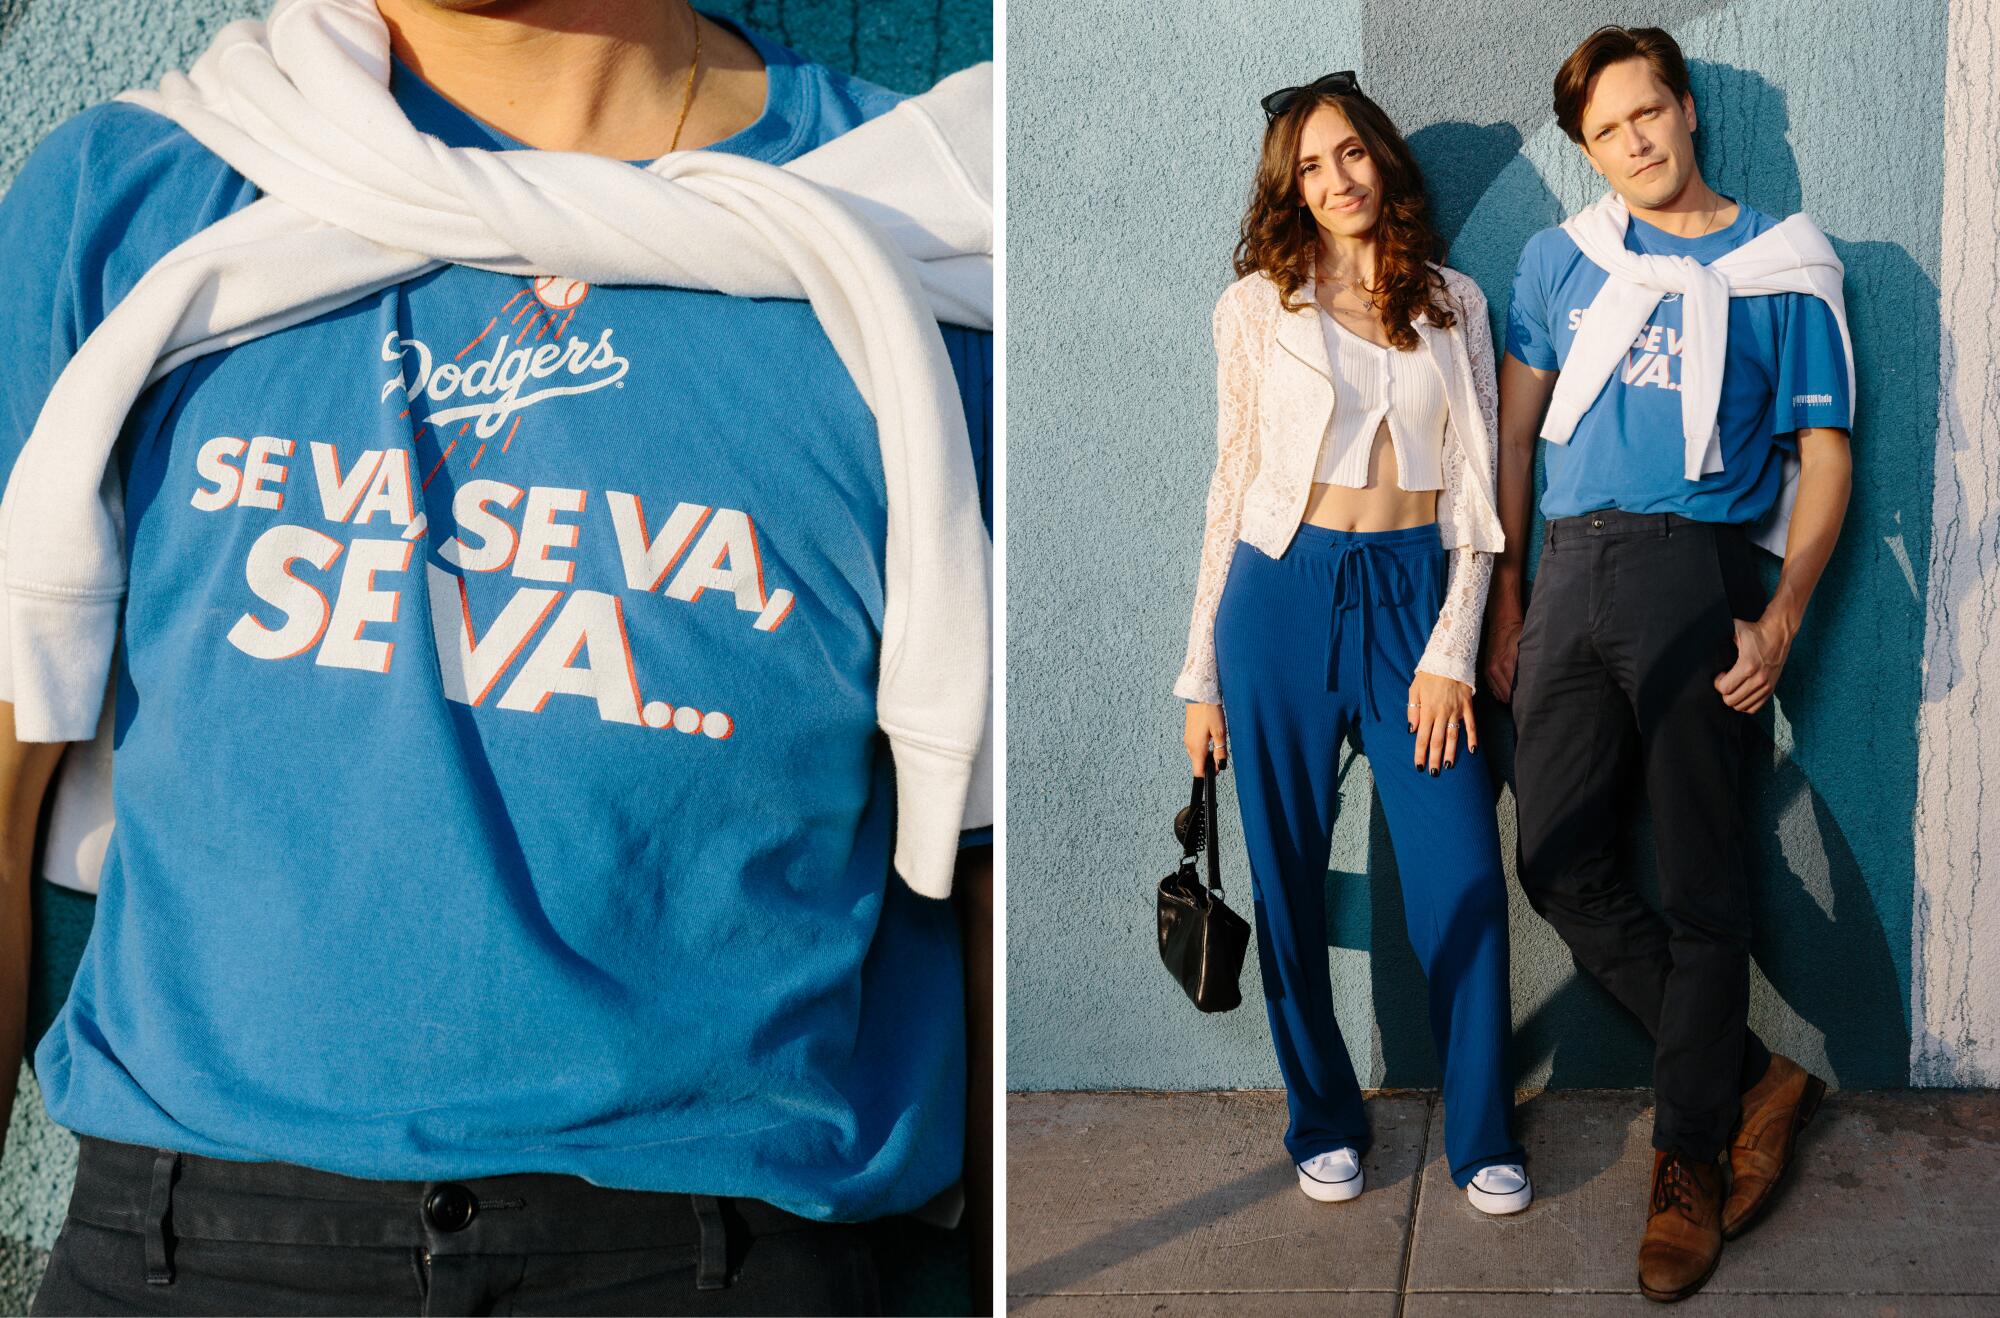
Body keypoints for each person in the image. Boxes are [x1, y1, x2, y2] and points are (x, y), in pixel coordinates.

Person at [0, 0, 992, 1313]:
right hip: (197, 1241)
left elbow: (999, 882)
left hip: (720, 1243)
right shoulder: (132, 197)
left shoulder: (920, 234)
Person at [1483, 25, 1851, 1304]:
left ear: (1685, 110)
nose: (1631, 143)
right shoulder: (1559, 261)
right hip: (1567, 573)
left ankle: (1685, 1156)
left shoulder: (1784, 268)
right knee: (1553, 858)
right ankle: (1753, 1078)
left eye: (1646, 114)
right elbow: (1514, 437)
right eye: (1604, 132)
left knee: (1703, 877)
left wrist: (1783, 617)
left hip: (1696, 577)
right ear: (1585, 150)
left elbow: (1825, 461)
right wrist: (1507, 588)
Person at [1175, 71, 1529, 1217]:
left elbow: (1477, 493)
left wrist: (1451, 647)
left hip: (1411, 595)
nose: (1334, 182)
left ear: (1381, 158)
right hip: (1276, 598)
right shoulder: (1251, 307)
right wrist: (1197, 675)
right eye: (1309, 167)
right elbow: (1229, 486)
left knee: (1463, 876)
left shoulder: (1454, 303)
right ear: (1289, 186)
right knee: (1282, 877)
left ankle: (1481, 1133)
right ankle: (1321, 1116)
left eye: (1350, 156)